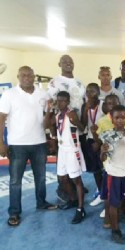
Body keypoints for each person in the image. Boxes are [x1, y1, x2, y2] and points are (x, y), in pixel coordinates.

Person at [0, 66, 57, 227]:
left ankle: (42, 202)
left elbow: (48, 116)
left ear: (33, 77)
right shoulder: (9, 94)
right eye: (23, 75)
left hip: (39, 142)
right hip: (18, 145)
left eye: (29, 75)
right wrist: (1, 143)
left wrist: (51, 137)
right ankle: (14, 212)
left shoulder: (42, 93)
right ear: (18, 77)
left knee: (41, 177)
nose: (26, 77)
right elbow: (1, 119)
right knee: (15, 181)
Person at [47, 54, 86, 203]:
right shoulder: (54, 82)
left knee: (75, 161)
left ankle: (77, 187)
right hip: (62, 129)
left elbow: (83, 104)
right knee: (62, 162)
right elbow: (49, 104)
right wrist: (52, 131)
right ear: (59, 64)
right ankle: (64, 191)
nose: (68, 63)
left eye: (70, 61)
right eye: (65, 61)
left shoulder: (79, 83)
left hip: (77, 128)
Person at [100, 105, 125, 244]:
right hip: (113, 173)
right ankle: (115, 231)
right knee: (113, 202)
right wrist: (103, 151)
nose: (120, 120)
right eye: (117, 117)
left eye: (123, 117)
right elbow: (102, 158)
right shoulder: (108, 135)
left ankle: (118, 215)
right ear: (112, 119)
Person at [49, 91, 86, 223]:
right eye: (58, 101)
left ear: (68, 101)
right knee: (63, 178)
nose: (60, 103)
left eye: (63, 101)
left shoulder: (72, 114)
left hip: (72, 150)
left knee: (76, 180)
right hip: (62, 150)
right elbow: (49, 124)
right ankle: (73, 200)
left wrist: (76, 121)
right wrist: (49, 109)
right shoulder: (58, 114)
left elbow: (82, 129)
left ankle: (81, 210)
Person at [81, 83, 105, 207]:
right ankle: (101, 193)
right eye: (88, 91)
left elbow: (109, 124)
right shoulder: (85, 106)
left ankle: (107, 193)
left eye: (93, 91)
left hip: (103, 141)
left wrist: (100, 142)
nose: (90, 94)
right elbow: (84, 124)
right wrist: (85, 110)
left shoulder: (103, 105)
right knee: (95, 169)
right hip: (91, 140)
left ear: (98, 93)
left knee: (105, 169)